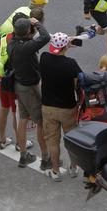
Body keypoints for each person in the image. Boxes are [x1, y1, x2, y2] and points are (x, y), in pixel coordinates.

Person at [8, 17, 51, 168]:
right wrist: (36, 23)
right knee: (41, 122)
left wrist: (27, 27)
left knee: (23, 118)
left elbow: (23, 36)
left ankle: (23, 155)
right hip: (30, 88)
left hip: (19, 85)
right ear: (27, 31)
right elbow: (46, 37)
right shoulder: (26, 47)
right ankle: (46, 159)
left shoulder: (11, 43)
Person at [39, 32, 82, 181]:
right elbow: (79, 82)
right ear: (65, 46)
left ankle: (55, 171)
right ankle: (74, 167)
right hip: (68, 107)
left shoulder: (44, 58)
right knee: (71, 139)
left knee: (53, 141)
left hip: (48, 107)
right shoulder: (71, 64)